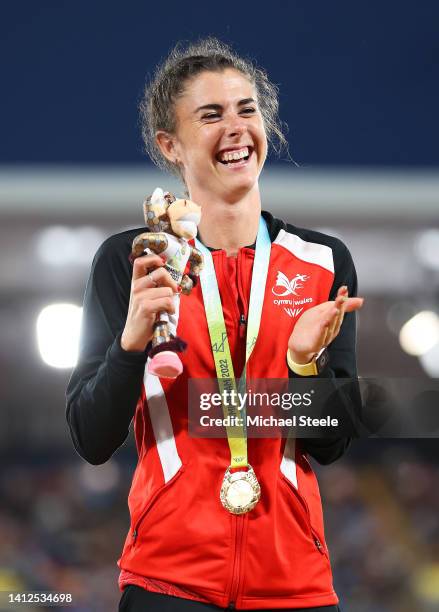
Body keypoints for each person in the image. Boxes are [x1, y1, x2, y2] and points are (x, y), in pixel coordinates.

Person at [66, 37, 364, 611]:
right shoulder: (131, 261)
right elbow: (91, 437)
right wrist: (131, 344)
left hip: (295, 586)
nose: (236, 126)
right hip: (167, 582)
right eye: (211, 114)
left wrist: (304, 366)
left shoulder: (323, 262)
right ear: (170, 145)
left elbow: (331, 444)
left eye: (246, 109)